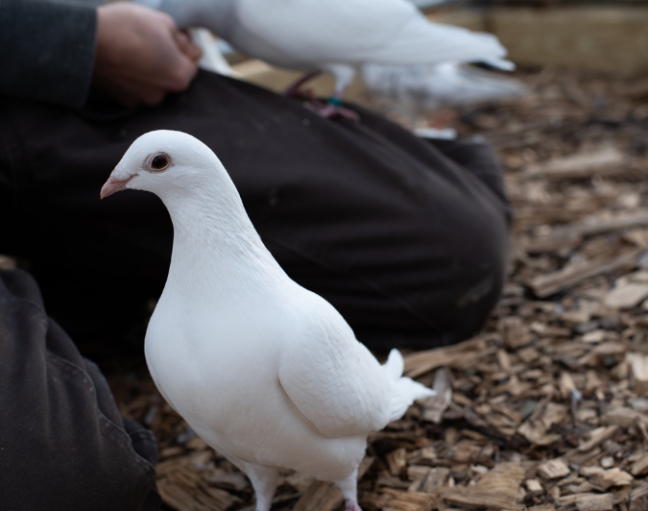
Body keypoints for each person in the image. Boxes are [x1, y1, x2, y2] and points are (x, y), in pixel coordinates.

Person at [0, 1, 511, 510]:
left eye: (153, 165)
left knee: (453, 251)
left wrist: (71, 36)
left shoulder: (303, 332)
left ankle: (442, 156)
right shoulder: (166, 341)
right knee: (59, 480)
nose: (118, 181)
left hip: (83, 82)